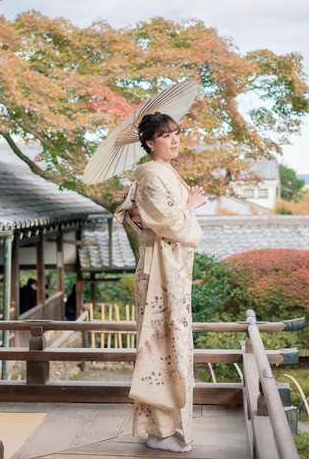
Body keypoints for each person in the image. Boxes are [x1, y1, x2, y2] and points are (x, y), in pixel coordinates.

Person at [115, 111, 206, 453]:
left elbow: (174, 216)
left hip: (172, 270)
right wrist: (192, 205)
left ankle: (168, 425)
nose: (175, 139)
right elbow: (168, 222)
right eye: (167, 136)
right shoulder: (151, 174)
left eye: (177, 133)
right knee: (159, 347)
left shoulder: (166, 171)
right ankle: (157, 431)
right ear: (150, 143)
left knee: (174, 346)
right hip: (158, 273)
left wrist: (189, 203)